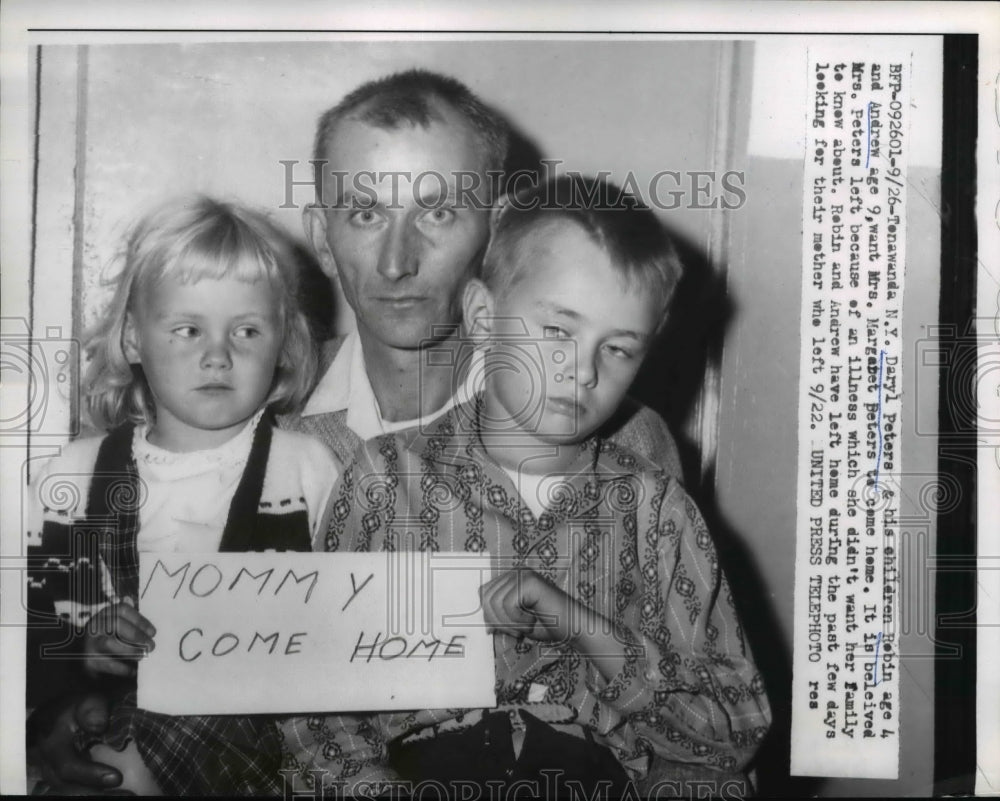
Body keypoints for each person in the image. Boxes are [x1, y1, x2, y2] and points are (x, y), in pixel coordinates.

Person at [27, 69, 685, 792]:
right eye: (366, 213)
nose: (398, 262)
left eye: (438, 212)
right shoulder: (252, 433)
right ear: (322, 233)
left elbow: (682, 715)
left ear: (496, 228)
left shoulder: (618, 446)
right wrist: (61, 714)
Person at [281, 175, 771, 795]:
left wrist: (584, 627)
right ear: (483, 316)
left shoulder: (657, 512)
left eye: (618, 349)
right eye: (558, 331)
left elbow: (733, 731)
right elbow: (315, 710)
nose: (583, 370)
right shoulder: (383, 481)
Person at [25, 196, 342, 795]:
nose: (217, 355)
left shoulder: (306, 470)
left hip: (254, 739)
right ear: (133, 340)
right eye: (188, 330)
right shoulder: (74, 478)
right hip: (100, 725)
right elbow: (28, 631)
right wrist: (83, 654)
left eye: (246, 330)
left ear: (284, 345)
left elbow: (344, 630)